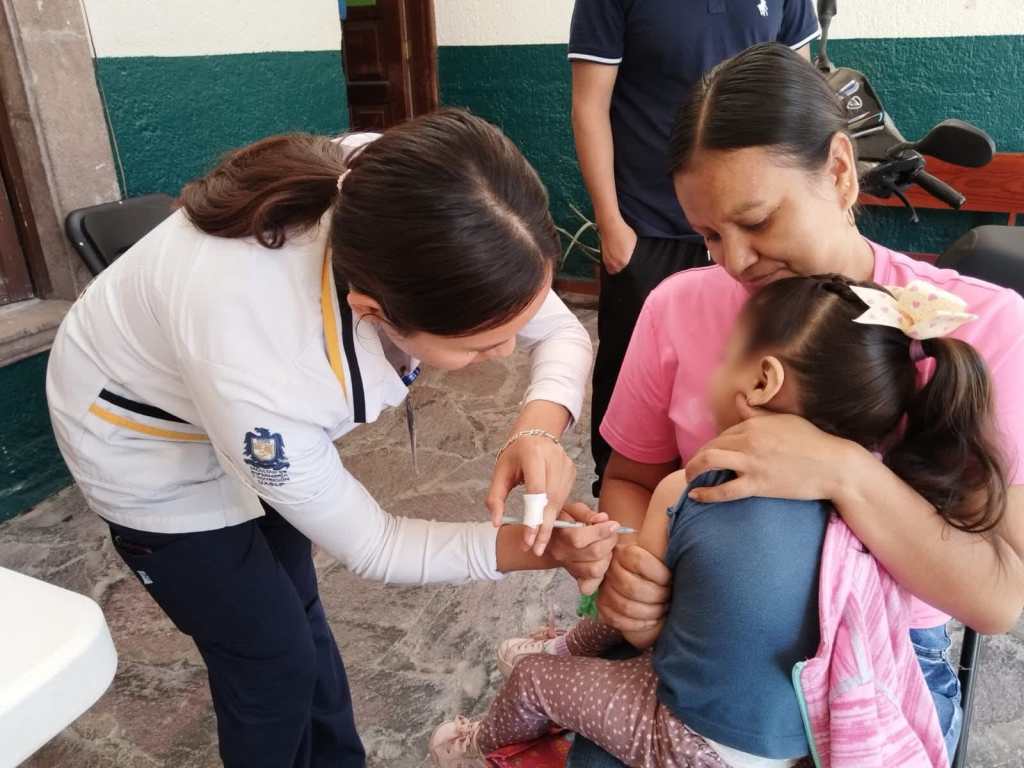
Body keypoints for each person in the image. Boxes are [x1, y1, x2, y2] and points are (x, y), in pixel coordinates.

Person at [45, 109, 621, 768]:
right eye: (484, 346)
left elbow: (564, 331)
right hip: (140, 439)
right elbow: (375, 544)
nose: (507, 351)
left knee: (298, 611)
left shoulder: (409, 196)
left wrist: (538, 429)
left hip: (220, 392)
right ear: (373, 311)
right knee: (268, 665)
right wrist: (540, 550)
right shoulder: (263, 364)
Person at [589, 44, 1024, 766]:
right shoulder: (676, 309)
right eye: (708, 235)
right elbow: (632, 481)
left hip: (881, 669)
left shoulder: (979, 327)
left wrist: (845, 474)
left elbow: (999, 596)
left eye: (756, 220)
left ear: (840, 171)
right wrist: (633, 562)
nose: (733, 261)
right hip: (695, 643)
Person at [428, 273, 1007, 767]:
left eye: (726, 355)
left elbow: (636, 618)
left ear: (762, 382)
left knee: (547, 665)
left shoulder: (694, 485)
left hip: (687, 738)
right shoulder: (883, 507)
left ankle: (482, 739)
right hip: (804, 739)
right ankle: (556, 651)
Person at [568, 0, 822, 495]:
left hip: (756, 225)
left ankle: (731, 493)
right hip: (649, 228)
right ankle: (619, 498)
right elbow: (589, 105)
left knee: (761, 366)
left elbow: (799, 96)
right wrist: (612, 226)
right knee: (631, 380)